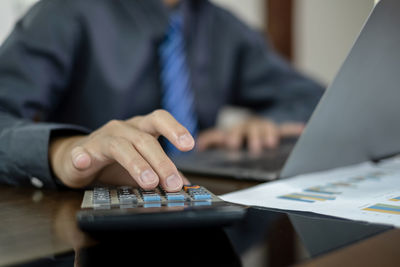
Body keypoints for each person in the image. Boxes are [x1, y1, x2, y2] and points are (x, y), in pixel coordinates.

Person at [0, 0, 323, 192]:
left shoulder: (221, 26)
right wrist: (63, 150)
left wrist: (267, 122)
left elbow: (311, 96)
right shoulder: (63, 12)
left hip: (202, 206)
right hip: (86, 226)